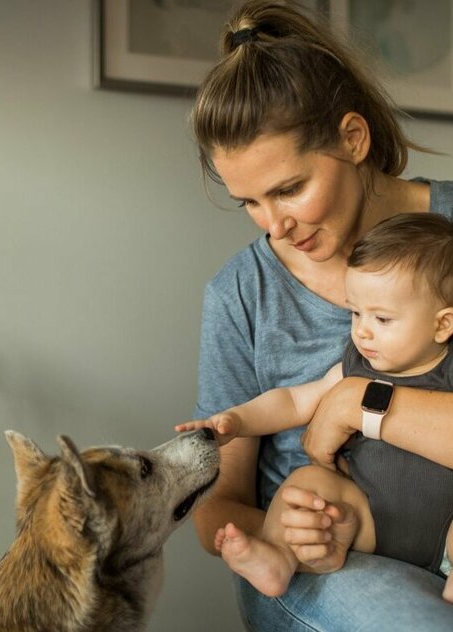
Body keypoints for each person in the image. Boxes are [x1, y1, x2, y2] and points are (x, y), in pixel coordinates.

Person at [188, 1, 453, 629]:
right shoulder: (241, 293)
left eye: (288, 189)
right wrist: (276, 526)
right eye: (248, 201)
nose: (275, 226)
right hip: (330, 565)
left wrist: (360, 403)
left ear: (353, 139)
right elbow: (216, 506)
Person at [177, 213, 453, 602]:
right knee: (307, 491)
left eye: (382, 318)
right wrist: (240, 419)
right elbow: (293, 400)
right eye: (356, 313)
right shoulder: (357, 364)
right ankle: (279, 558)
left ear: (443, 325)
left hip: (446, 530)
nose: (362, 331)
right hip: (368, 514)